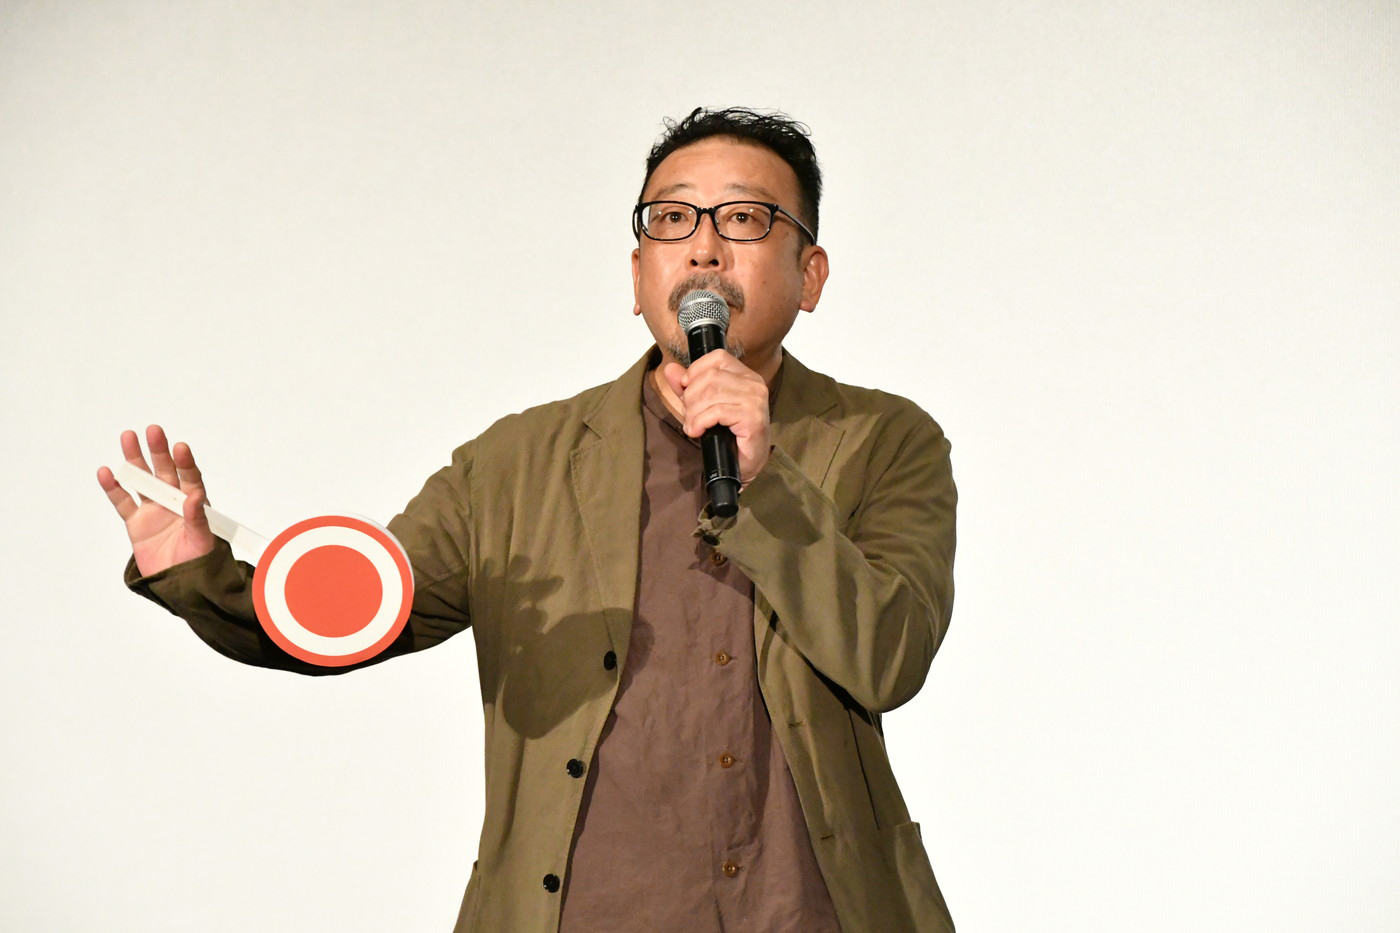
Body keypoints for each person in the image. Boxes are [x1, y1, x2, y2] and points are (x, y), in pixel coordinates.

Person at [97, 107, 958, 933]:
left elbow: (890, 657)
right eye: (671, 219)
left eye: (742, 218)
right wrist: (199, 570)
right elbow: (352, 616)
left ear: (810, 275)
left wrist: (765, 483)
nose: (702, 247)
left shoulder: (885, 440)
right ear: (637, 276)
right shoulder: (512, 465)